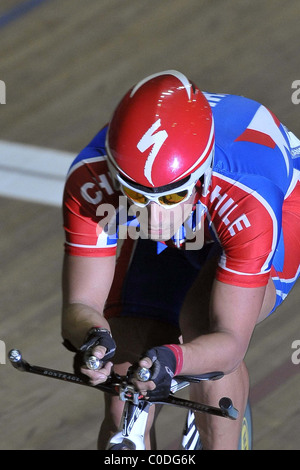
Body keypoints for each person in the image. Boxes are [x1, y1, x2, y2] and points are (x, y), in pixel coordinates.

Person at [61, 70, 300, 450]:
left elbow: (230, 341)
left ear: (200, 176)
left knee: (201, 326)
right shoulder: (92, 176)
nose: (155, 218)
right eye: (137, 197)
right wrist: (93, 338)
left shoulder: (248, 198)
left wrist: (174, 359)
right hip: (198, 207)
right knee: (124, 370)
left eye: (170, 198)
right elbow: (81, 305)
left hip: (271, 197)